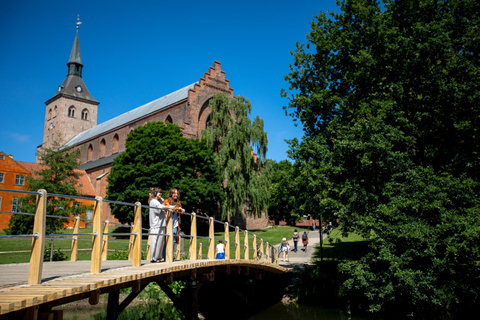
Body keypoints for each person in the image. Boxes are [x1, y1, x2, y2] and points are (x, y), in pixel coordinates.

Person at [164, 188, 185, 259]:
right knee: (166, 240)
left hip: (175, 224)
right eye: (174, 193)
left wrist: (182, 210)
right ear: (171, 194)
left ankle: (169, 256)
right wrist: (179, 208)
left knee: (173, 240)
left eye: (177, 193)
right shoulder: (167, 201)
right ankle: (165, 256)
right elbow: (169, 208)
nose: (176, 195)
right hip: (168, 223)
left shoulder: (178, 202)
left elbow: (180, 208)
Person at [149, 187, 166, 263]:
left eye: (161, 192)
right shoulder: (153, 201)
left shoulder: (159, 201)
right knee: (155, 241)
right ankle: (153, 257)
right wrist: (170, 207)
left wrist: (162, 200)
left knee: (160, 242)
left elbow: (164, 205)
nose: (160, 194)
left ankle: (158, 257)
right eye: (159, 192)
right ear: (155, 193)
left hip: (161, 224)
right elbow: (160, 208)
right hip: (155, 224)